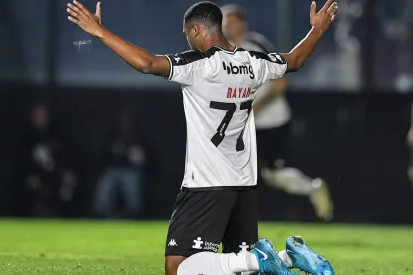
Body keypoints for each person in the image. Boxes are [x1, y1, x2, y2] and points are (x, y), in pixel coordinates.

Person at [66, 1, 338, 274]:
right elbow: (295, 60)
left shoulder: (199, 65)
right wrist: (316, 30)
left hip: (207, 183)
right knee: (236, 269)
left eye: (187, 35)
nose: (188, 40)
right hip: (244, 183)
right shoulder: (252, 62)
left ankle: (259, 259)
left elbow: (146, 63)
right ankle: (289, 257)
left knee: (178, 267)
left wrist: (99, 31)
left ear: (196, 30)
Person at [221, 4, 334, 222]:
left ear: (243, 25)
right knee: (256, 171)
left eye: (230, 20)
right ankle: (311, 188)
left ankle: (312, 188)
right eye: (223, 20)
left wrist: (253, 109)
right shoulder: (223, 53)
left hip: (270, 121)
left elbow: (281, 84)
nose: (225, 24)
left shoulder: (255, 46)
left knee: (268, 173)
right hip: (248, 122)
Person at [23, 103, 79, 217]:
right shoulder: (27, 139)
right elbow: (22, 162)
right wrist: (29, 175)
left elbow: (67, 157)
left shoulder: (58, 135)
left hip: (57, 179)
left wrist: (68, 172)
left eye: (43, 116)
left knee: (67, 191)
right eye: (37, 116)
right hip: (38, 179)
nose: (40, 119)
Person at [94, 108, 148, 219]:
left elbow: (145, 162)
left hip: (131, 172)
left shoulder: (138, 140)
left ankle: (133, 216)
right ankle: (102, 215)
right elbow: (103, 157)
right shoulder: (113, 138)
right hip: (112, 171)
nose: (126, 124)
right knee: (106, 183)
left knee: (132, 181)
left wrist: (137, 158)